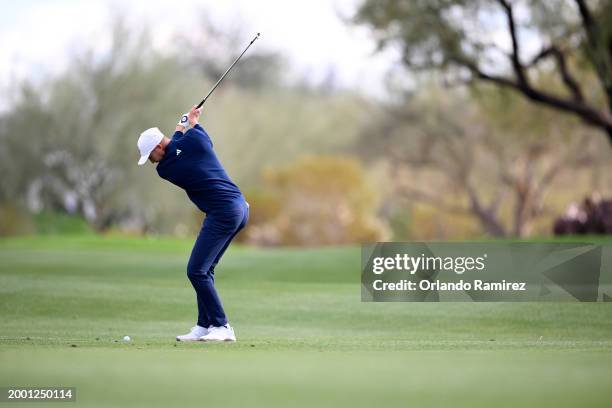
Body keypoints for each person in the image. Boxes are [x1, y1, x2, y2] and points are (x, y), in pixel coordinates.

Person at [136, 106, 249, 342]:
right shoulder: (196, 141)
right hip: (239, 206)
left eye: (151, 157)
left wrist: (181, 126)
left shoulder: (166, 169)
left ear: (158, 148)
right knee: (204, 270)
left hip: (223, 211)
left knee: (196, 270)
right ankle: (204, 325)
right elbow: (185, 141)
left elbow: (174, 147)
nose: (152, 163)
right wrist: (192, 122)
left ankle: (222, 326)